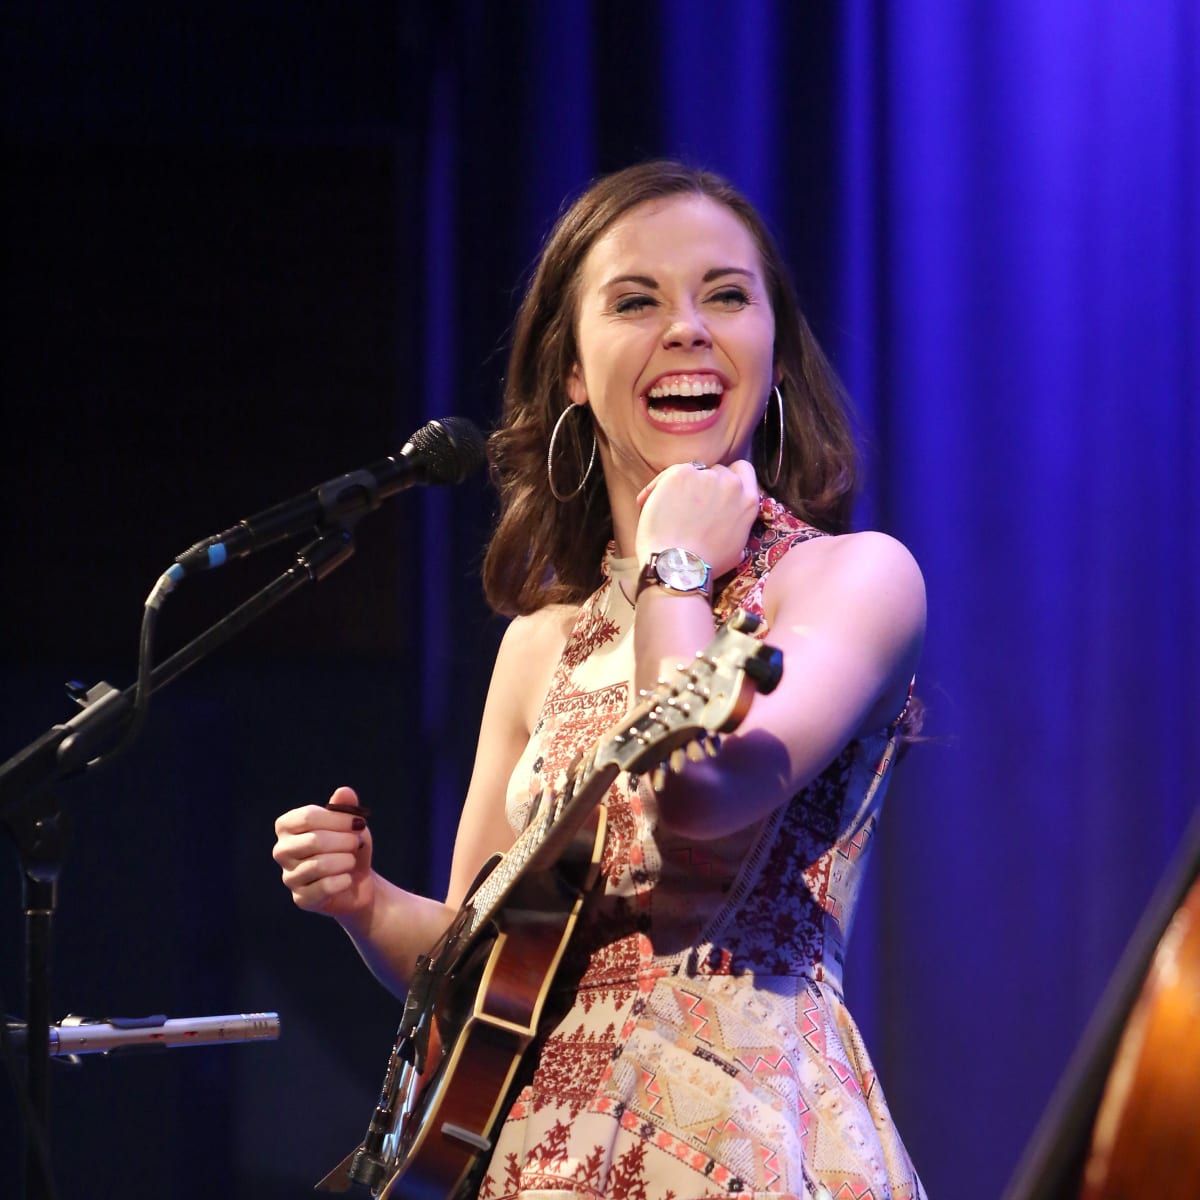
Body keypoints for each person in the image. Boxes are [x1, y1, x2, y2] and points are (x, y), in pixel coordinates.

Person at [272, 161, 927, 1199]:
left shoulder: (850, 579)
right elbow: (480, 962)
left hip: (741, 1134)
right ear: (572, 370)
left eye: (726, 295)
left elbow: (702, 793)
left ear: (774, 352)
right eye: (636, 301)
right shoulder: (541, 644)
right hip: (540, 1154)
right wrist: (364, 903)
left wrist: (676, 563)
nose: (688, 329)